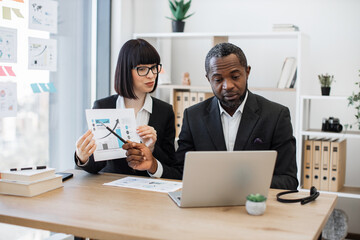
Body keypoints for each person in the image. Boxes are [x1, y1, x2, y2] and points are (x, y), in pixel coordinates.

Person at [123, 42, 298, 190]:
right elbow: (180, 173)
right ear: (208, 79)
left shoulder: (276, 115)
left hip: (256, 206)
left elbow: (289, 181)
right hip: (207, 210)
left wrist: (242, 183)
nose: (227, 86)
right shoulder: (193, 116)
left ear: (247, 72)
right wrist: (153, 164)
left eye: (235, 76)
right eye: (218, 79)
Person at [74, 38, 182, 179]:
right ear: (125, 71)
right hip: (111, 189)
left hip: (148, 190)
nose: (151, 75)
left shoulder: (165, 111)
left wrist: (152, 149)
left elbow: (170, 165)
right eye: (142, 69)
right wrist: (82, 157)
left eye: (154, 68)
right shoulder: (103, 107)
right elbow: (96, 165)